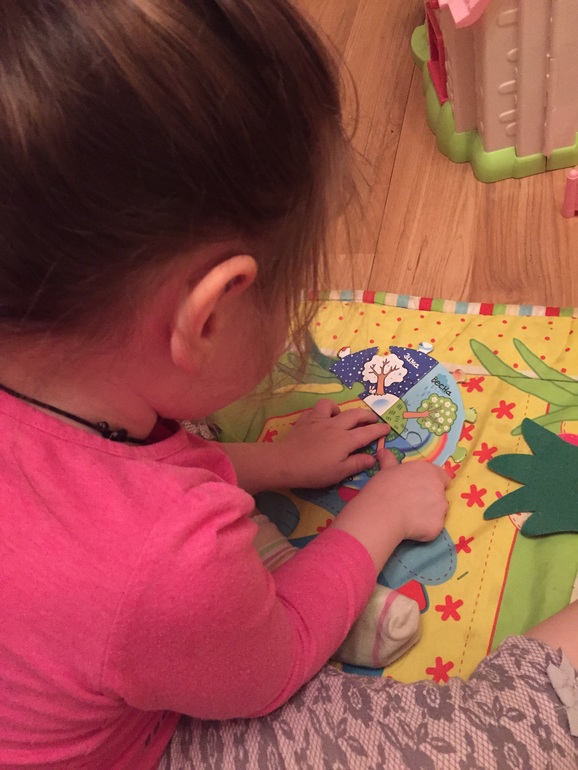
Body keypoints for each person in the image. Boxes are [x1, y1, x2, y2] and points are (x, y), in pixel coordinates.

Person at [0, 1, 576, 769]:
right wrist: (378, 514)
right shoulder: (167, 561)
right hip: (137, 737)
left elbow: (103, 480)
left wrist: (271, 465)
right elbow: (274, 666)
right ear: (209, 317)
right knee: (479, 739)